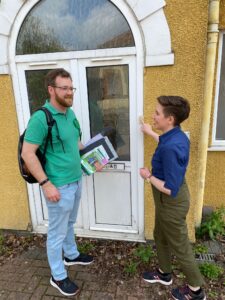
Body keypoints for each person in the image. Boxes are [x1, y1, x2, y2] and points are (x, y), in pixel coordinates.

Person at [22, 68, 93, 297]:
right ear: (51, 89)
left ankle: (71, 255)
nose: (69, 92)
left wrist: (94, 160)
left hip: (76, 179)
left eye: (71, 88)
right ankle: (57, 275)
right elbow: (28, 153)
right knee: (56, 231)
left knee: (69, 222)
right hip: (58, 186)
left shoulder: (70, 114)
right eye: (64, 88)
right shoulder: (41, 118)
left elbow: (77, 145)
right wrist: (46, 184)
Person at [139, 96, 206, 300]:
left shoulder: (171, 146)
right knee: (159, 234)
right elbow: (164, 143)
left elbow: (170, 188)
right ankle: (164, 273)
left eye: (157, 113)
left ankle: (196, 290)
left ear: (170, 119)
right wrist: (150, 132)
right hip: (166, 201)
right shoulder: (175, 136)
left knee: (181, 246)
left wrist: (148, 176)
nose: (153, 116)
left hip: (171, 201)